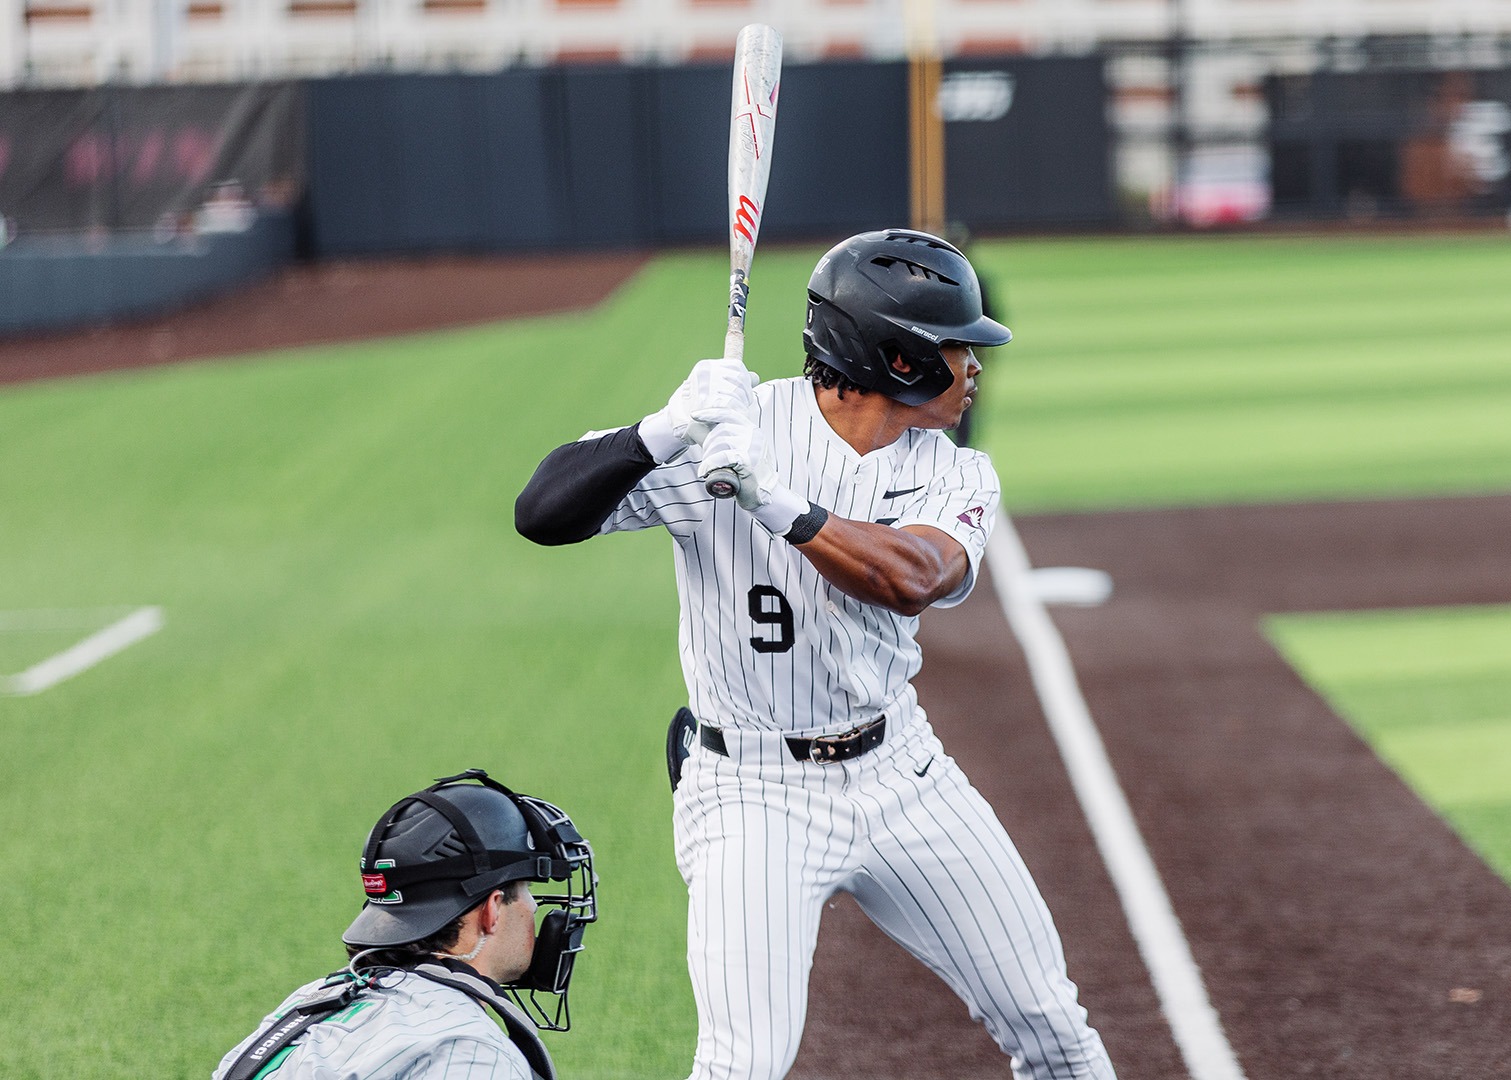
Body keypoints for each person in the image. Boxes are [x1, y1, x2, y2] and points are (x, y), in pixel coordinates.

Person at [515, 228, 1115, 1080]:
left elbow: (917, 577)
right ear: (900, 359)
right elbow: (540, 512)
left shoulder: (954, 472)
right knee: (743, 1064)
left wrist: (774, 503)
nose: (976, 365)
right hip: (752, 792)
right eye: (958, 346)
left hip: (902, 772)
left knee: (1053, 1026)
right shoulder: (729, 429)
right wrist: (661, 430)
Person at [212, 770, 598, 1080]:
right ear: (492, 910)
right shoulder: (470, 1051)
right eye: (527, 889)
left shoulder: (309, 1004)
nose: (533, 907)